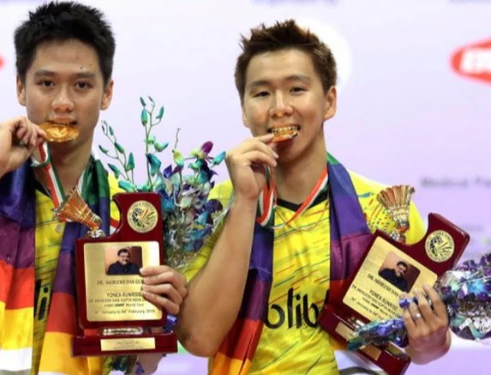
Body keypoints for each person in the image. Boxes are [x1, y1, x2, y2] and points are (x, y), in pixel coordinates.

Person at [0, 2, 186, 374]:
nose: (62, 103)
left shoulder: (127, 211)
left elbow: (134, 366)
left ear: (107, 93)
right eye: (46, 83)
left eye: (81, 85)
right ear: (20, 88)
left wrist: (159, 321)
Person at [176, 20, 451, 374]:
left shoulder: (384, 208)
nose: (279, 108)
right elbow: (199, 338)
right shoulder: (209, 209)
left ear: (329, 101)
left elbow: (424, 349)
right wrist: (245, 202)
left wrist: (429, 342)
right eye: (261, 94)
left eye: (296, 89)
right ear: (243, 110)